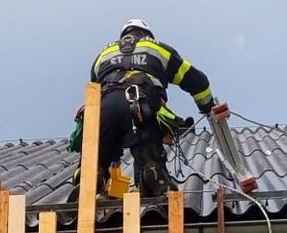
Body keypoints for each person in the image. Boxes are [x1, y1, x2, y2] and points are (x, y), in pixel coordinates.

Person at [80, 19, 217, 194]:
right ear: (147, 34)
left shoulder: (103, 54)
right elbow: (197, 81)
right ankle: (153, 175)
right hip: (140, 103)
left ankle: (90, 177)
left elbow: (94, 89)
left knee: (98, 154)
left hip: (105, 105)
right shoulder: (157, 48)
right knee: (148, 151)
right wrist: (207, 107)